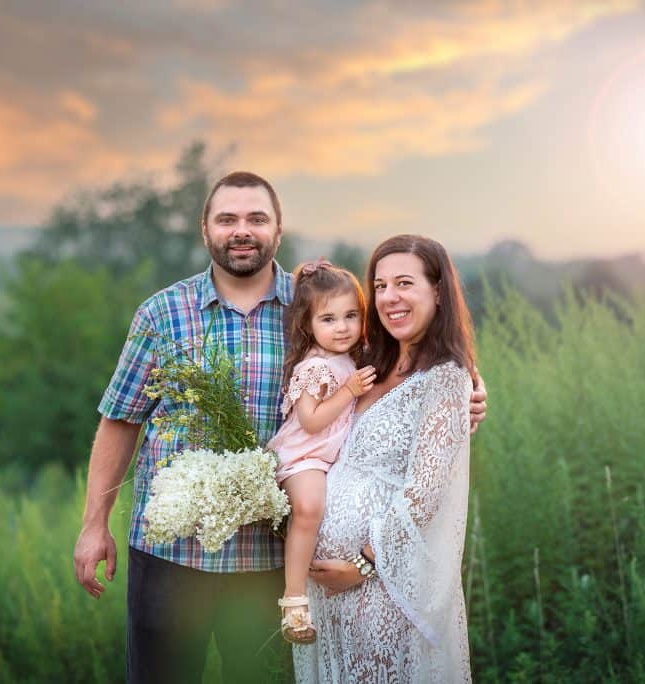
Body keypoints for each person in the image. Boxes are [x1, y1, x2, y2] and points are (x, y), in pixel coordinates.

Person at [72, 171, 488, 684]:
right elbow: (120, 419)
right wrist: (95, 524)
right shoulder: (163, 314)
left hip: (268, 561)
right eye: (227, 219)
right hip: (170, 554)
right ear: (206, 230)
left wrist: (465, 389)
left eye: (256, 219)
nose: (241, 230)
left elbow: (398, 361)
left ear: (278, 230)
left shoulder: (317, 304)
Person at [294, 234, 478, 683]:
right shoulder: (365, 362)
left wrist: (361, 564)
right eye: (378, 286)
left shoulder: (447, 378)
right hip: (329, 596)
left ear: (437, 291)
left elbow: (424, 493)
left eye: (404, 283)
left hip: (383, 588)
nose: (389, 298)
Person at [266, 260, 376, 644]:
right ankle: (294, 602)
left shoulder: (353, 354)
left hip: (330, 456)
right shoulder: (315, 366)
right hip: (304, 455)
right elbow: (310, 421)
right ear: (308, 324)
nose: (342, 327)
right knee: (310, 509)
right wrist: (348, 391)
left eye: (351, 316)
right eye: (328, 319)